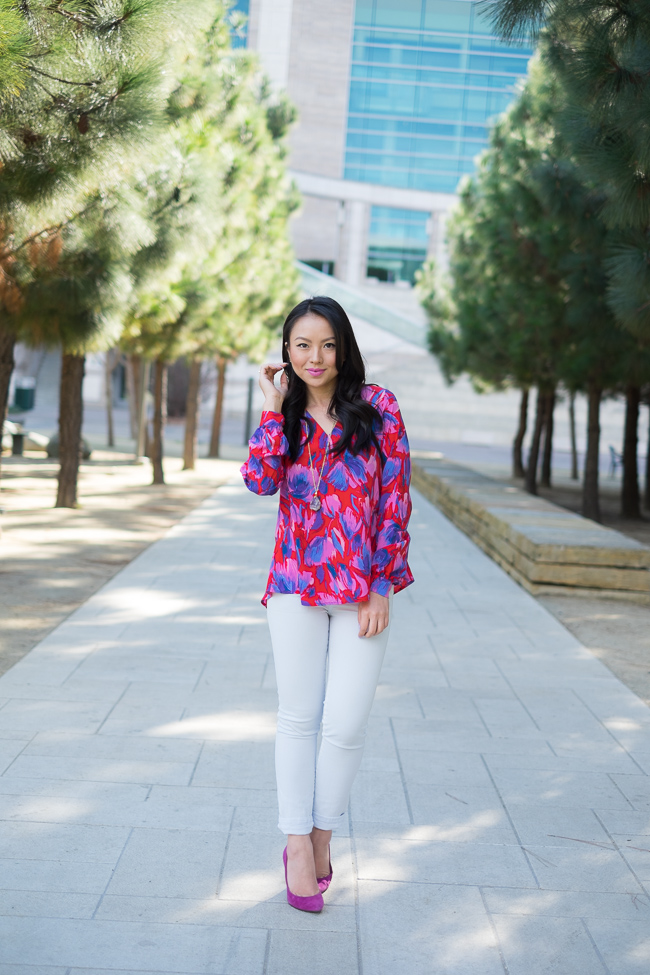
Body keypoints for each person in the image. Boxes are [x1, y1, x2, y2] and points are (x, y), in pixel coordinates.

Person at [241, 296, 413, 913]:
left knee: (344, 724)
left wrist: (381, 583)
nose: (315, 358)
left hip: (360, 589)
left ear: (344, 348)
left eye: (327, 345)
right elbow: (260, 481)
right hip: (293, 586)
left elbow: (395, 499)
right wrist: (268, 409)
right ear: (286, 351)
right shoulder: (280, 418)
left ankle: (321, 836)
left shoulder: (380, 408)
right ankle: (295, 844)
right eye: (302, 345)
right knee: (297, 717)